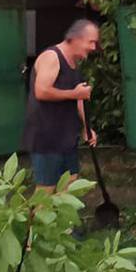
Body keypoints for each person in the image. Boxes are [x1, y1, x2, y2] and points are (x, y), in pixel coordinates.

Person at [26, 19, 100, 188]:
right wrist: (74, 93)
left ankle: (65, 216)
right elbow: (41, 91)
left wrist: (86, 128)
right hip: (46, 138)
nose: (94, 47)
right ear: (76, 39)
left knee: (70, 186)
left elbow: (78, 97)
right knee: (46, 195)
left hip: (66, 137)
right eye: (91, 42)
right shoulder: (52, 57)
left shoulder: (74, 62)